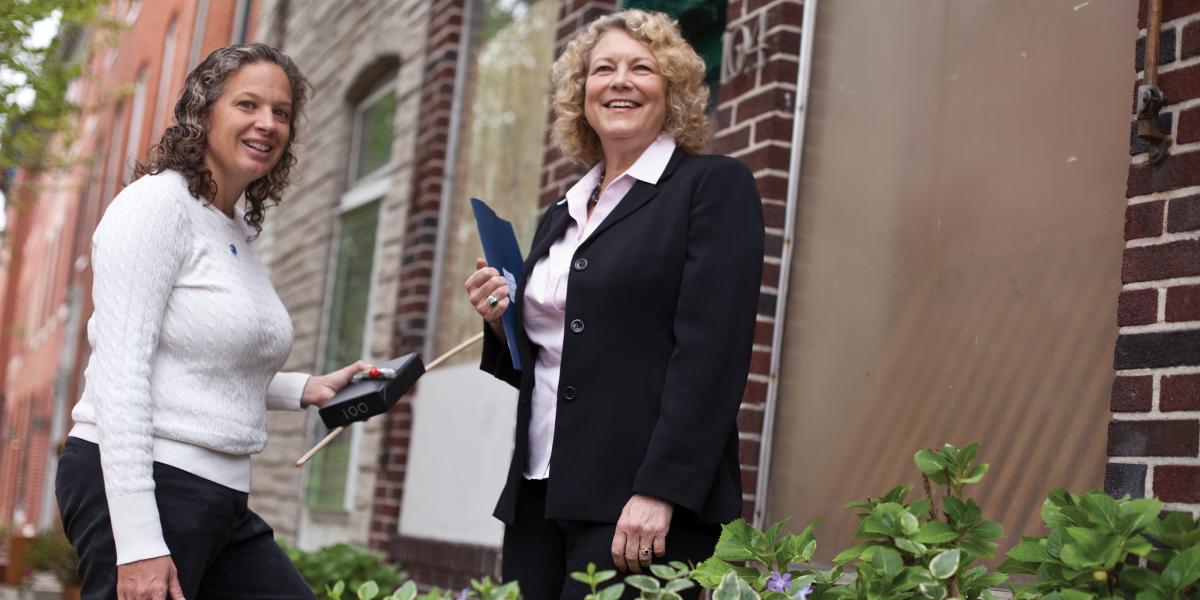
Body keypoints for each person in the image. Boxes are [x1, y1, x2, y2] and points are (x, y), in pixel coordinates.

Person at [463, 9, 764, 599]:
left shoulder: (711, 188)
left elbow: (713, 356)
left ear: (671, 90)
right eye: (603, 69)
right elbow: (556, 351)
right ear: (582, 95)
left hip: (640, 507)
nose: (620, 81)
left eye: (641, 68)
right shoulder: (563, 211)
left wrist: (663, 491)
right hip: (539, 491)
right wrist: (501, 325)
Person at [55, 43, 368, 600]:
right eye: (247, 104)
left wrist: (307, 389)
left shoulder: (230, 231)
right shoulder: (156, 206)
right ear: (204, 112)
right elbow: (121, 373)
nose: (267, 124)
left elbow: (198, 358)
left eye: (281, 113)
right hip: (145, 480)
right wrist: (139, 544)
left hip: (219, 496)